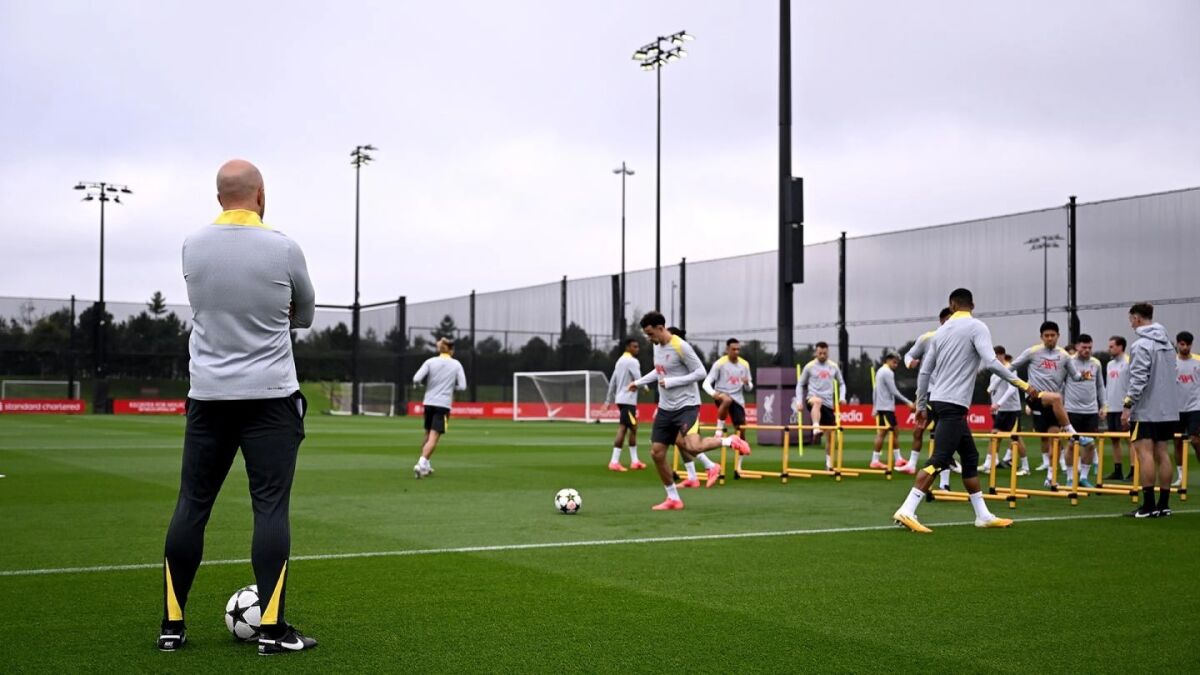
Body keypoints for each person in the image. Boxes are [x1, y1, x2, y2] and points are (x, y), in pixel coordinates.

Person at [160, 159, 317, 654]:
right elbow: (306, 315)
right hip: (271, 399)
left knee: (192, 505)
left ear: (218, 198)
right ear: (261, 194)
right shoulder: (284, 247)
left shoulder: (192, 245)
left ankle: (171, 627)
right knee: (269, 508)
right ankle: (272, 631)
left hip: (208, 398)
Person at [893, 288, 1035, 533]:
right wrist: (1023, 385)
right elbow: (992, 363)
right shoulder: (977, 326)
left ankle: (983, 515)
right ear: (973, 305)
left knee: (969, 458)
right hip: (953, 404)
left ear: (951, 305)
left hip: (940, 402)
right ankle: (907, 509)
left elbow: (924, 372)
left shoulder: (939, 332)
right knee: (940, 459)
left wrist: (921, 405)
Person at [629, 313, 750, 509]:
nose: (649, 339)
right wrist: (638, 382)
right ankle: (673, 498)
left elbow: (701, 373)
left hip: (687, 406)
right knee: (657, 453)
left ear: (660, 328)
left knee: (693, 446)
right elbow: (659, 371)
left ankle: (729, 441)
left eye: (650, 334)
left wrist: (672, 382)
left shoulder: (681, 346)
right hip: (665, 408)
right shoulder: (656, 346)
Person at [1121, 303, 1179, 518]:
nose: (1131, 324)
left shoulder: (1140, 345)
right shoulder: (1169, 345)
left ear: (1137, 318)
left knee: (1144, 454)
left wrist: (1127, 405)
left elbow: (1138, 379)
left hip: (1146, 410)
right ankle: (1163, 505)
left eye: (1131, 319)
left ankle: (1148, 506)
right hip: (1168, 410)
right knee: (1162, 453)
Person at [1010, 321, 1084, 485]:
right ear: (1041, 337)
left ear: (1058, 336)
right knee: (1057, 397)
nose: (1050, 338)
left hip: (1051, 406)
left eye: (1052, 335)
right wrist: (1017, 385)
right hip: (1035, 397)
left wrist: (1085, 376)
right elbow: (1011, 367)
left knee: (1055, 441)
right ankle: (1071, 431)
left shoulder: (1064, 355)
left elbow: (1075, 376)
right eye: (1046, 336)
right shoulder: (1032, 352)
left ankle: (1050, 477)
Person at [897, 307, 953, 477]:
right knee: (920, 428)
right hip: (930, 393)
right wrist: (910, 362)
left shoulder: (959, 339)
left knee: (946, 434)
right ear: (943, 321)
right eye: (951, 319)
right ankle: (912, 464)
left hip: (950, 393)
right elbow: (908, 355)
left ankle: (946, 475)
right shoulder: (928, 338)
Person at [411, 337, 467, 478]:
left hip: (428, 402)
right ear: (451, 350)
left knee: (427, 433)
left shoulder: (430, 361)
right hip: (443, 405)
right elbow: (462, 386)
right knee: (434, 437)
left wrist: (419, 386)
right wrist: (451, 388)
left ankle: (426, 465)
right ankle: (421, 463)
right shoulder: (456, 364)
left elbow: (416, 379)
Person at [702, 338, 755, 474]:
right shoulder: (720, 364)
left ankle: (739, 466)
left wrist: (747, 383)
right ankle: (719, 430)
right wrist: (713, 393)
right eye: (733, 349)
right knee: (727, 400)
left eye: (738, 349)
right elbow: (706, 382)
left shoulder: (744, 364)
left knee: (741, 429)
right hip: (721, 395)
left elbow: (749, 387)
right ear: (727, 350)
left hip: (738, 399)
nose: (736, 352)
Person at [1062, 335, 1105, 487]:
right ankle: (1069, 478)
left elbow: (1100, 386)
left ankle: (1084, 478)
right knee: (1071, 445)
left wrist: (1103, 405)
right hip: (1072, 410)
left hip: (1091, 411)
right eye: (1084, 347)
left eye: (1089, 347)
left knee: (1090, 445)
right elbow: (1061, 385)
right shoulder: (1068, 362)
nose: (1087, 350)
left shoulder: (1096, 363)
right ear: (1077, 347)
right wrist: (1061, 408)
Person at [796, 341, 846, 470]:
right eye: (820, 353)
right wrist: (799, 402)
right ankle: (815, 427)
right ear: (816, 353)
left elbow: (842, 383)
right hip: (812, 399)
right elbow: (800, 384)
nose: (822, 355)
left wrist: (842, 397)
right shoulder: (809, 366)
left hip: (828, 404)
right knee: (817, 401)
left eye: (824, 353)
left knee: (831, 437)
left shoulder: (833, 366)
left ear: (828, 353)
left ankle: (828, 464)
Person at [981, 349, 1029, 476]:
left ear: (1002, 355)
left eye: (997, 355)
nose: (995, 358)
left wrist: (998, 403)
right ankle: (989, 463)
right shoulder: (994, 372)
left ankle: (1025, 467)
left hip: (1012, 410)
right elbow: (992, 391)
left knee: (1016, 438)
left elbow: (1012, 390)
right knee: (994, 435)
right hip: (1000, 411)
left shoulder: (1010, 369)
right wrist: (994, 405)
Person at [602, 338, 647, 471]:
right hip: (628, 400)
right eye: (634, 346)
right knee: (623, 428)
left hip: (621, 399)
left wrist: (608, 400)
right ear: (628, 347)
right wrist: (645, 388)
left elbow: (613, 381)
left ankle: (635, 461)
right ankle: (614, 461)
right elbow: (639, 379)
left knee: (633, 428)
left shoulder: (619, 361)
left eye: (638, 347)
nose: (637, 349)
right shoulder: (633, 361)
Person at [869, 353, 912, 469]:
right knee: (890, 433)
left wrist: (875, 407)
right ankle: (878, 460)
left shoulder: (880, 371)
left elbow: (875, 390)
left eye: (897, 363)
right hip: (886, 408)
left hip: (883, 407)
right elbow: (894, 391)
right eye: (894, 362)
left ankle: (894, 459)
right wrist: (908, 402)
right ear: (888, 360)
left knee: (889, 433)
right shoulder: (887, 372)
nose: (896, 365)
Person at [1173, 331, 1200, 487]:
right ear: (1177, 344)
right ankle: (1181, 476)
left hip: (1195, 407)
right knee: (1177, 441)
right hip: (1176, 408)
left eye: (1188, 344)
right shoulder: (1171, 362)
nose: (1185, 347)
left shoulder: (1198, 362)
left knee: (1195, 440)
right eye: (1182, 344)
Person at [1103, 336, 1131, 481]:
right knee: (1114, 440)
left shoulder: (1129, 363)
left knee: (1130, 440)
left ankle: (1134, 471)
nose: (1109, 349)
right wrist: (1105, 405)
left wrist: (1128, 407)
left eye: (1112, 346)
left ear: (1120, 347)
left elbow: (1132, 386)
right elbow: (1108, 386)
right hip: (1112, 408)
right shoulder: (1109, 364)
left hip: (1124, 408)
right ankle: (1117, 470)